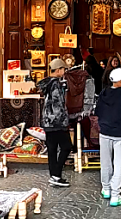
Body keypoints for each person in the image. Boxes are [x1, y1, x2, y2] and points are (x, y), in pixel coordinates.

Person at [95, 68, 121, 206]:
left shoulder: (103, 93)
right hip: (119, 134)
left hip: (104, 132)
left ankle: (106, 189)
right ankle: (115, 195)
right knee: (119, 165)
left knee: (105, 163)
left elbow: (97, 111)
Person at [35, 58, 73, 187]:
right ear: (58, 70)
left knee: (52, 149)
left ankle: (54, 176)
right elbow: (58, 104)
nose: (64, 71)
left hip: (47, 121)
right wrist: (65, 119)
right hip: (57, 122)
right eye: (63, 69)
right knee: (67, 146)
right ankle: (56, 175)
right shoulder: (56, 84)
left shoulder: (47, 83)